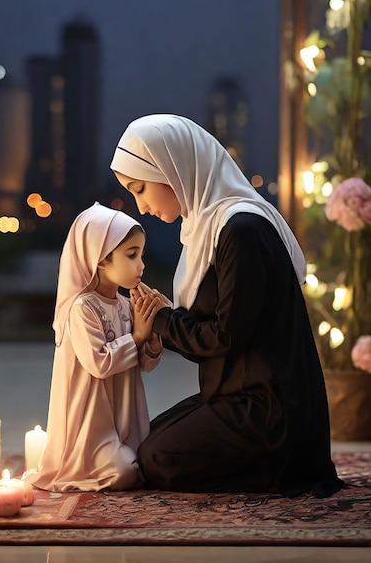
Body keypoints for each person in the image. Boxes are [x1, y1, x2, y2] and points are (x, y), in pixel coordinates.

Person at [110, 113, 343, 498]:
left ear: (174, 169)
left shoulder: (241, 230)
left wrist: (164, 320)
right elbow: (212, 339)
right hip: (234, 395)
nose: (141, 206)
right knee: (139, 447)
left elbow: (225, 337)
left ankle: (279, 470)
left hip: (270, 411)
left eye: (141, 189)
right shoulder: (207, 228)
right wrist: (161, 320)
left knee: (155, 459)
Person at [24, 202, 162, 492]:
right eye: (132, 255)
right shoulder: (82, 308)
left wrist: (151, 336)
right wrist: (136, 337)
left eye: (142, 255)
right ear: (100, 259)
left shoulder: (126, 304)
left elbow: (146, 364)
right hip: (92, 427)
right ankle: (90, 461)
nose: (141, 265)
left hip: (126, 414)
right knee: (123, 473)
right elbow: (100, 363)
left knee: (154, 458)